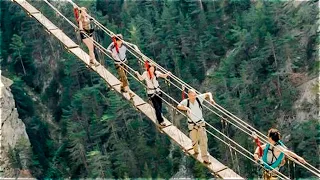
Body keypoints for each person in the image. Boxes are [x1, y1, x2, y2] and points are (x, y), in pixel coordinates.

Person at [177, 89, 215, 165]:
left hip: (200, 124)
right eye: (192, 95)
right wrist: (186, 108)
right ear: (189, 95)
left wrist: (211, 99)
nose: (194, 96)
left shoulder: (198, 98)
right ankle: (196, 150)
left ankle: (205, 158)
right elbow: (178, 106)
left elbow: (208, 93)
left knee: (203, 141)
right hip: (192, 124)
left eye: (195, 95)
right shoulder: (186, 102)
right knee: (194, 140)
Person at [135, 62, 171, 126]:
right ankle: (161, 121)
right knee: (157, 107)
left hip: (158, 91)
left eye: (153, 69)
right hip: (151, 93)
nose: (152, 70)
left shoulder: (156, 73)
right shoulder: (145, 74)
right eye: (150, 69)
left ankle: (159, 116)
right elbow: (141, 78)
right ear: (148, 69)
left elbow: (163, 76)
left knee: (159, 106)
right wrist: (137, 73)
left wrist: (167, 74)